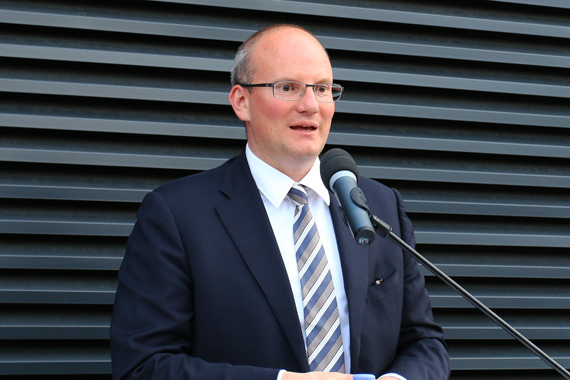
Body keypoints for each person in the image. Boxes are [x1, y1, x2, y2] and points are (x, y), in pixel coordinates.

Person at [111, 24, 450, 380]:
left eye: (322, 89)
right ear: (241, 101)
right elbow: (143, 366)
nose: (310, 106)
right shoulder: (177, 215)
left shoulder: (380, 206)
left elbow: (424, 343)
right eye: (287, 88)